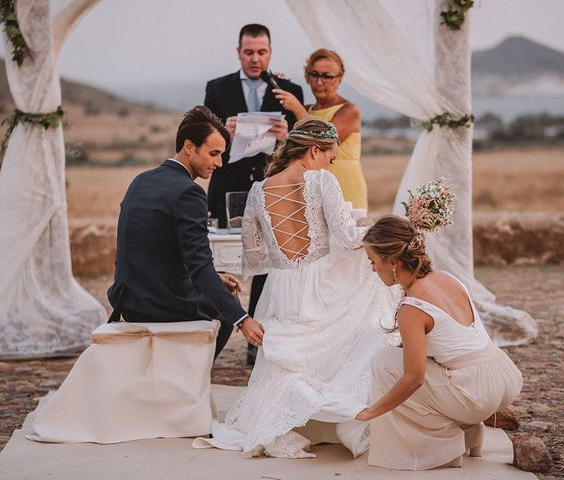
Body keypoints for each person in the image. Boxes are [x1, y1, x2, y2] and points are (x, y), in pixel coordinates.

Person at [193, 119, 398, 457]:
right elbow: (346, 239)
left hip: (279, 284)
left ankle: (296, 413)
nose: (329, 164)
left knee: (290, 360)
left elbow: (254, 254)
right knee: (372, 296)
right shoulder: (321, 181)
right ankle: (341, 415)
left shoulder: (259, 189)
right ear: (315, 150)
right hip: (318, 281)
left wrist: (283, 258)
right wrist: (380, 231)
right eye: (329, 157)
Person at [357, 208, 524, 470]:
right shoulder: (446, 278)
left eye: (372, 261)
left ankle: (440, 448)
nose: (372, 269)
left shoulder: (411, 308)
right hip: (502, 374)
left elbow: (414, 379)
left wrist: (372, 412)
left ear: (393, 262)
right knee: (424, 362)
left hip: (476, 394)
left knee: (385, 363)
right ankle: (472, 435)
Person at [107, 106, 264, 357]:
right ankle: (192, 377)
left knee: (217, 289)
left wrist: (210, 278)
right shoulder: (189, 193)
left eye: (222, 155)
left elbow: (154, 249)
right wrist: (243, 320)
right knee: (228, 305)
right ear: (189, 147)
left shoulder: (141, 180)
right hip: (158, 303)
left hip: (128, 298)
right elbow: (199, 265)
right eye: (214, 153)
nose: (219, 163)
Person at [204, 23, 304, 363]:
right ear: (238, 52)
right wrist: (222, 130)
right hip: (225, 188)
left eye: (262, 52)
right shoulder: (216, 88)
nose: (255, 58)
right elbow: (206, 139)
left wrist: (287, 132)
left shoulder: (289, 90)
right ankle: (209, 341)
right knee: (215, 262)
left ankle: (256, 344)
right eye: (249, 52)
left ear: (270, 53)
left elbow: (300, 150)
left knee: (268, 266)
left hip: (271, 189)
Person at [273, 48, 367, 210]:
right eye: (314, 74)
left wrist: (297, 109)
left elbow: (325, 139)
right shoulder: (307, 109)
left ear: (339, 79)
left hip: (344, 183)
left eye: (327, 76)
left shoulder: (349, 110)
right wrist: (281, 83)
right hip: (312, 186)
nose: (319, 82)